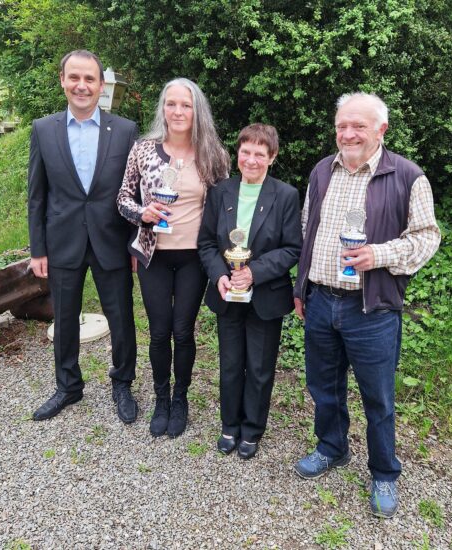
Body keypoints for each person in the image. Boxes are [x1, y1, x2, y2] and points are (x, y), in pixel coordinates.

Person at [293, 93, 441, 517]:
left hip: (371, 309)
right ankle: (332, 447)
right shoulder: (322, 170)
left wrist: (379, 254)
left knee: (378, 398)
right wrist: (301, 288)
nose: (348, 134)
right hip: (321, 300)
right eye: (342, 126)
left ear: (381, 130)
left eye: (358, 125)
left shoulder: (408, 176)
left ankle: (383, 472)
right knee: (323, 387)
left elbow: (427, 237)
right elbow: (307, 230)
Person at [28, 50, 138, 424]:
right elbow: (37, 195)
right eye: (74, 77)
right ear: (62, 80)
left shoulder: (124, 130)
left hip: (112, 241)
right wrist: (38, 249)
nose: (82, 85)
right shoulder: (43, 129)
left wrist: (137, 243)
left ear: (101, 84)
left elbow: (134, 191)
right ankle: (68, 386)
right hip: (62, 241)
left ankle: (122, 383)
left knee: (121, 318)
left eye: (90, 78)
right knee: (64, 319)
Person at [117, 78, 230, 438]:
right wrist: (142, 213)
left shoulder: (213, 154)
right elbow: (123, 198)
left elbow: (223, 209)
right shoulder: (143, 150)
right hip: (154, 255)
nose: (178, 111)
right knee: (158, 331)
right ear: (162, 109)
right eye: (171, 104)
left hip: (194, 257)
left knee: (182, 331)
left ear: (197, 111)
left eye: (186, 105)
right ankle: (161, 399)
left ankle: (180, 398)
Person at [197, 123, 302, 459]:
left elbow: (292, 248)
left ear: (272, 157)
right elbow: (206, 243)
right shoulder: (220, 192)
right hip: (228, 294)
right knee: (230, 364)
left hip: (265, 297)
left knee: (259, 367)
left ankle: (252, 429)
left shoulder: (285, 195)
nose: (251, 160)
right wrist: (220, 275)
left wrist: (253, 273)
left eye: (260, 153)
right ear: (237, 153)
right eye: (246, 151)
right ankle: (230, 424)